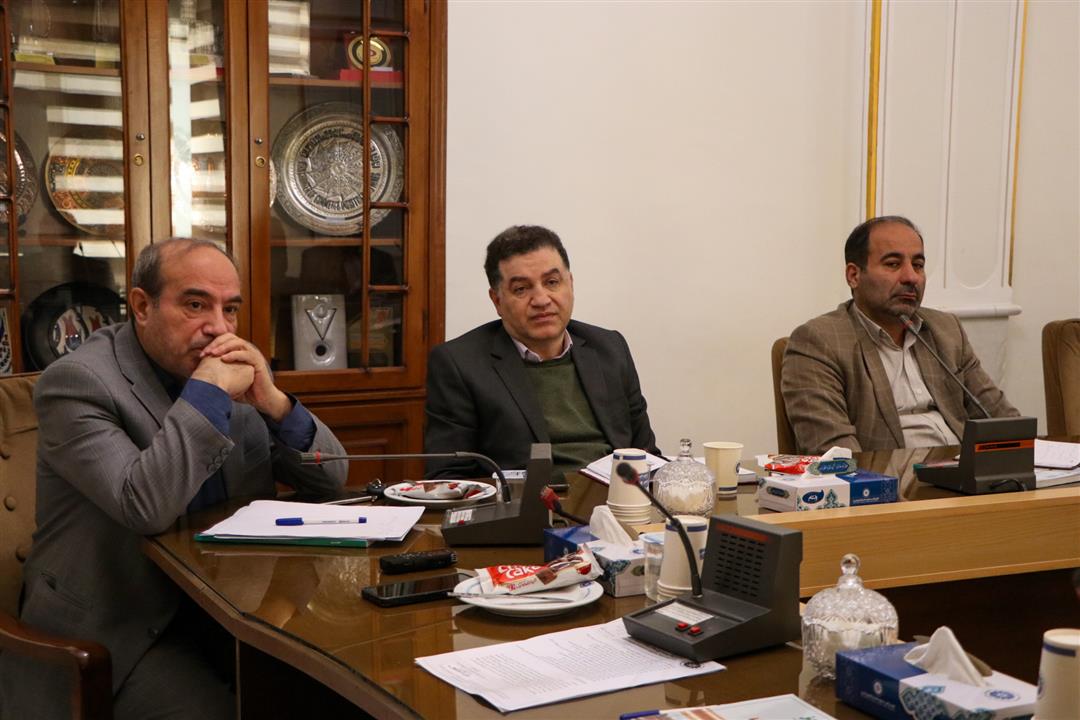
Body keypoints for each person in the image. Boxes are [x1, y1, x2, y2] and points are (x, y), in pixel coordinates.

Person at [0, 239, 347, 719]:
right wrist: (207, 393)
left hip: (234, 608)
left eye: (231, 309)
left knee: (338, 694)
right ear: (142, 306)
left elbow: (333, 479)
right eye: (196, 305)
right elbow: (145, 506)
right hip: (125, 626)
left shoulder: (235, 372)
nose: (219, 328)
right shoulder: (77, 382)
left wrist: (276, 404)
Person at [424, 225, 658, 481]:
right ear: (497, 300)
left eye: (552, 282)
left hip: (617, 498)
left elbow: (646, 454)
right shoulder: (459, 364)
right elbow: (449, 478)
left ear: (570, 284)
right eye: (521, 289)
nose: (542, 300)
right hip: (531, 502)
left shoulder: (610, 348)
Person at [782, 215, 1018, 454]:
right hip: (886, 475)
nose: (911, 277)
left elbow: (1003, 420)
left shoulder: (946, 329)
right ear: (854, 276)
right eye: (893, 264)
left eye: (918, 265)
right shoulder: (818, 342)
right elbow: (836, 453)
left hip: (964, 469)